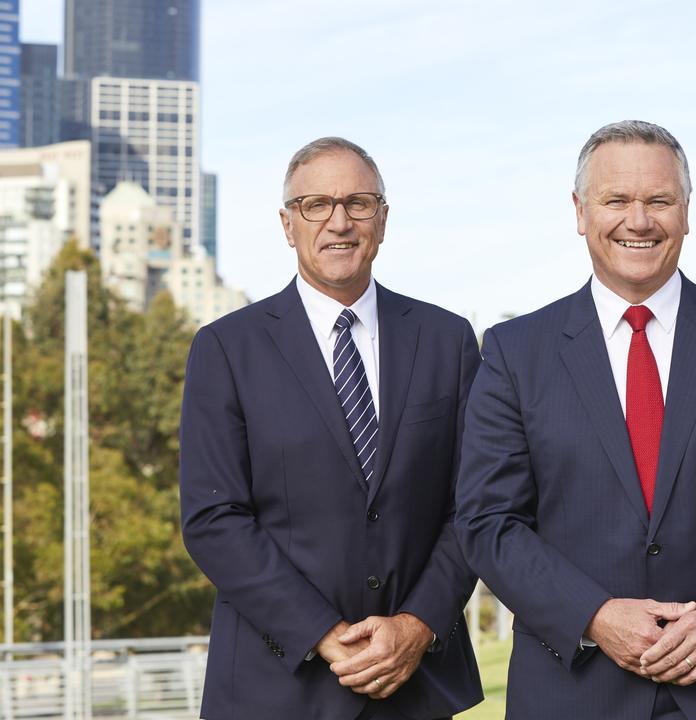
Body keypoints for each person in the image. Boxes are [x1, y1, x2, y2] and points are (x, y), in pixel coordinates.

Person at [455, 120, 696, 720]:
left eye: (659, 200)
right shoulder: (513, 352)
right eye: (616, 201)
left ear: (686, 212)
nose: (638, 220)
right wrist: (595, 616)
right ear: (581, 211)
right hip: (573, 691)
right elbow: (488, 521)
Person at [180, 137, 483, 720]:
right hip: (275, 685)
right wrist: (321, 633)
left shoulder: (447, 342)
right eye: (316, 205)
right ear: (288, 224)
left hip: (415, 684)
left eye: (359, 203)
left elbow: (474, 507)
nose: (339, 222)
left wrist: (417, 626)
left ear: (383, 220)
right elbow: (214, 519)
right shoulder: (225, 349)